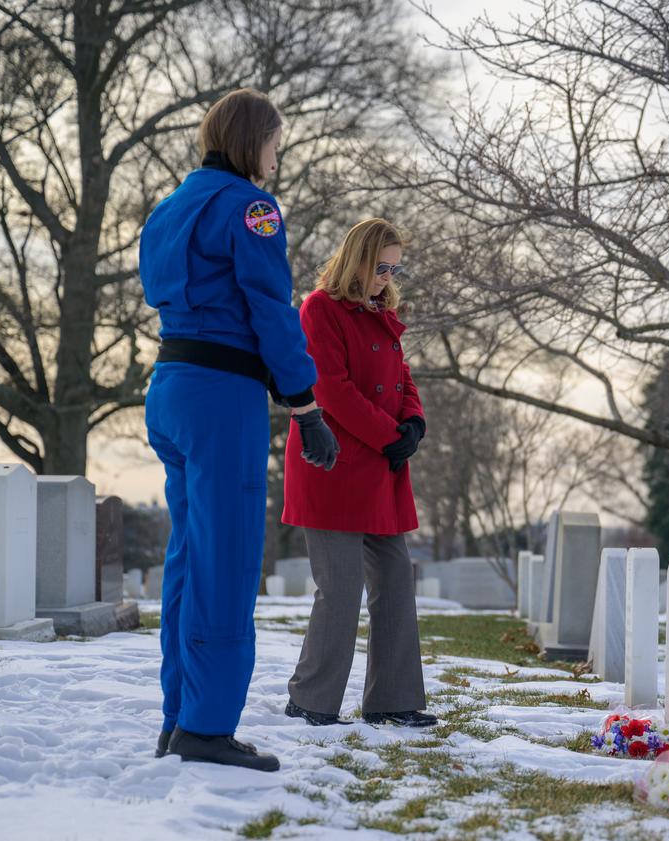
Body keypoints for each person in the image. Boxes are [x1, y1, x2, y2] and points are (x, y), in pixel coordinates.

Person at [139, 88, 339, 771]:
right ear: (252, 140)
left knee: (189, 561)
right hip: (222, 394)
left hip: (169, 385)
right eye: (275, 144)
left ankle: (178, 719)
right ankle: (206, 726)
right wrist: (305, 402)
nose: (277, 159)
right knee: (224, 565)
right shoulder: (250, 207)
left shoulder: (169, 208)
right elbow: (270, 306)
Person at [281, 218, 435, 728]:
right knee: (341, 589)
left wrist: (413, 421)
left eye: (394, 268)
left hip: (381, 469)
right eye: (379, 267)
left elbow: (401, 376)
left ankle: (392, 699)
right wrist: (391, 436)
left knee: (394, 582)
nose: (386, 278)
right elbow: (331, 389)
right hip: (335, 466)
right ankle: (311, 700)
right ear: (357, 260)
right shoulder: (319, 309)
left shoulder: (382, 313)